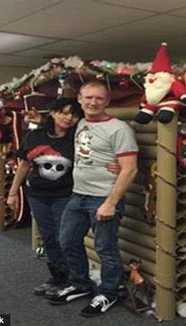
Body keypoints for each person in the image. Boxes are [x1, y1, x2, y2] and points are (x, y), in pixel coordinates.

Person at [49, 80, 138, 318]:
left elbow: (130, 169)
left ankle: (109, 292)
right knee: (67, 241)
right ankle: (80, 284)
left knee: (105, 248)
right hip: (78, 195)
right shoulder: (81, 124)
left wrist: (110, 202)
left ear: (107, 101)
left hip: (104, 197)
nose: (93, 102)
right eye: (88, 97)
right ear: (80, 99)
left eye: (99, 98)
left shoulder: (118, 128)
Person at [7, 98, 83, 298]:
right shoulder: (36, 135)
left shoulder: (77, 138)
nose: (68, 118)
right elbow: (24, 165)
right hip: (37, 195)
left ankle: (73, 280)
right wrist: (13, 192)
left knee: (64, 238)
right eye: (63, 112)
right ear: (53, 112)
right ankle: (58, 277)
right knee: (49, 237)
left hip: (65, 196)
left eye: (73, 114)